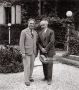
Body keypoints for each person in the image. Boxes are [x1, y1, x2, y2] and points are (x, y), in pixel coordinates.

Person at [19, 18, 38, 86]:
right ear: (28, 23)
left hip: (33, 52)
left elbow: (35, 43)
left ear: (34, 24)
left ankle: (30, 77)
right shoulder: (23, 32)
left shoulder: (35, 32)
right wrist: (23, 52)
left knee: (32, 66)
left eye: (33, 23)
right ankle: (26, 80)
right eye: (30, 23)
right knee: (27, 66)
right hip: (26, 52)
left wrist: (36, 52)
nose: (32, 24)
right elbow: (21, 43)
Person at [38, 19, 55, 85]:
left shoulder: (51, 31)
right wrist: (41, 48)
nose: (42, 26)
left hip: (50, 51)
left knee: (49, 65)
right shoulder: (39, 33)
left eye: (43, 25)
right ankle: (45, 77)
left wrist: (46, 49)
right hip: (42, 51)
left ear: (47, 24)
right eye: (41, 25)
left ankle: (49, 79)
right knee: (44, 64)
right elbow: (38, 42)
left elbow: (52, 41)